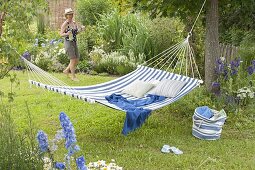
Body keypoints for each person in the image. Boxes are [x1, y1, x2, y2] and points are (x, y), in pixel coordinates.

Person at [60, 8, 84, 81]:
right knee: (73, 59)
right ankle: (73, 77)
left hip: (74, 42)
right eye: (68, 14)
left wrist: (81, 29)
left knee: (76, 59)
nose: (70, 15)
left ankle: (66, 70)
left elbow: (76, 33)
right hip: (68, 43)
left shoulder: (73, 23)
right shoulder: (65, 24)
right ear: (66, 15)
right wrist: (67, 33)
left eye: (71, 14)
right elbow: (61, 34)